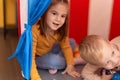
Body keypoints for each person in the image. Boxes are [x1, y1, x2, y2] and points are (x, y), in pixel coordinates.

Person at [31, 0, 85, 80]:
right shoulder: (35, 30)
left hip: (49, 49)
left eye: (63, 16)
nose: (58, 19)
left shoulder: (59, 30)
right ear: (44, 12)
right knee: (54, 61)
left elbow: (66, 47)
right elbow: (30, 57)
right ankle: (75, 60)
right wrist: (35, 78)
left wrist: (70, 65)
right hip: (38, 57)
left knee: (71, 42)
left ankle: (69, 58)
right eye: (54, 13)